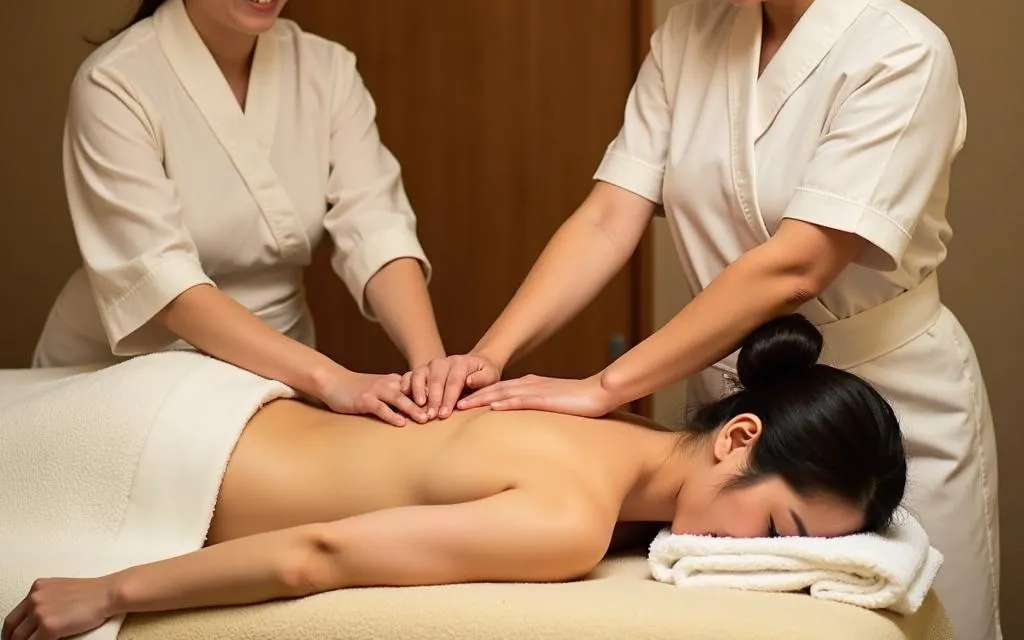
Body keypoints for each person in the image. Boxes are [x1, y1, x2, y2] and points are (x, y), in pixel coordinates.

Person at [412, 0, 1000, 640]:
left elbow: (795, 266)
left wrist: (604, 388)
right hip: (739, 420)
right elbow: (611, 211)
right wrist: (492, 356)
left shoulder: (901, 54)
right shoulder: (689, 37)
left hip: (882, 421)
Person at [2, 316, 908, 640]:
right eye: (780, 534)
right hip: (158, 460)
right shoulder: (571, 523)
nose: (766, 566)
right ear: (737, 438)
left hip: (207, 404)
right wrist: (110, 591)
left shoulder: (607, 436)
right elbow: (317, 556)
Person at [32, 0, 448, 426]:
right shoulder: (117, 83)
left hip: (272, 382)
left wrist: (430, 366)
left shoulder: (327, 69)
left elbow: (376, 223)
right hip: (130, 377)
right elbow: (165, 285)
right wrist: (331, 380)